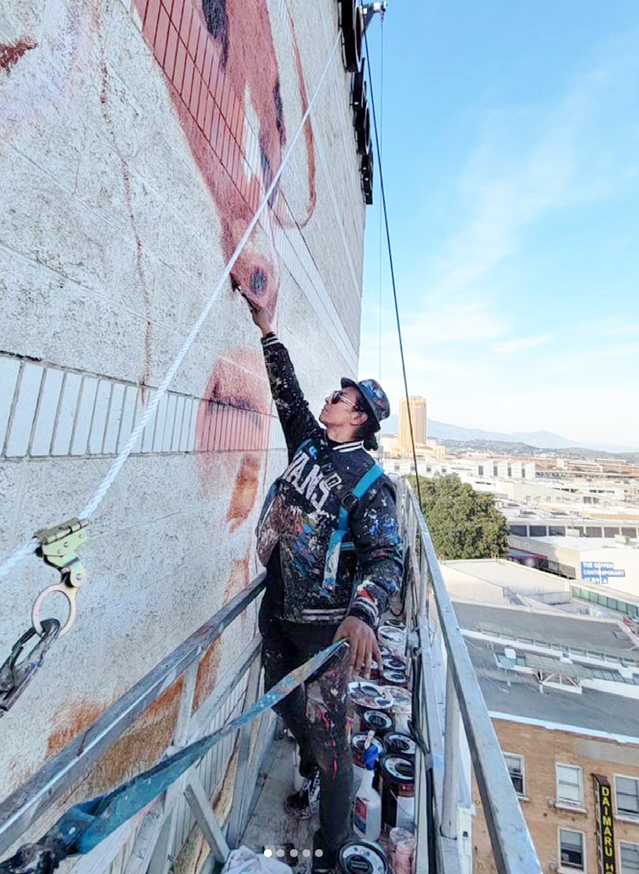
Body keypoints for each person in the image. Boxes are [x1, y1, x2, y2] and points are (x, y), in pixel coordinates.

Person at [244, 296, 403, 873]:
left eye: (343, 397)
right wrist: (268, 330)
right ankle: (308, 758)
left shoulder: (369, 483)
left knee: (333, 743)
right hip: (278, 606)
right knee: (280, 697)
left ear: (359, 418)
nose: (332, 398)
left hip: (323, 632)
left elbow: (387, 557)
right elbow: (285, 390)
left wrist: (363, 612)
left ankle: (334, 851)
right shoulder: (310, 444)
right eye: (336, 393)